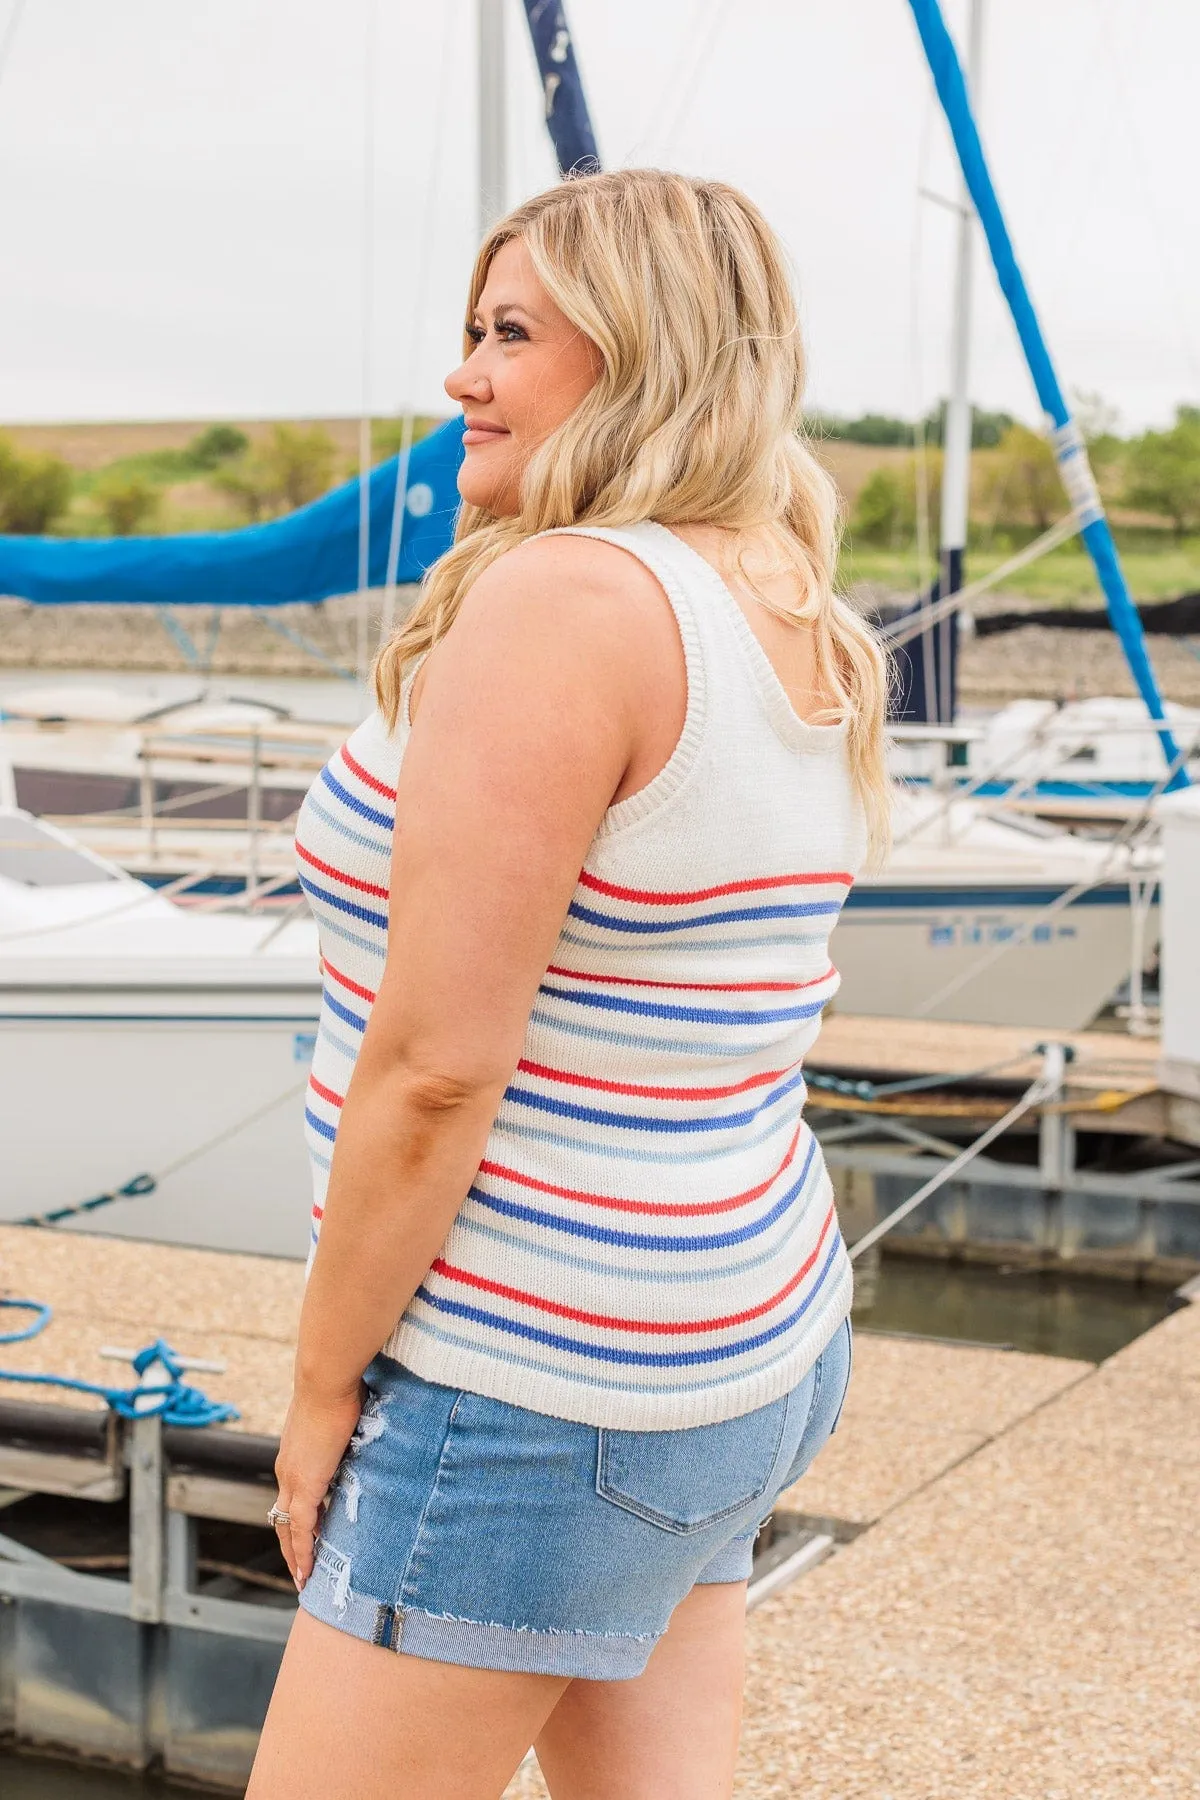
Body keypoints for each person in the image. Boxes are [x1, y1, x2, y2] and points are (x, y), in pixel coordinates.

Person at [247, 167, 889, 1800]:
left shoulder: (566, 602)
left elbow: (440, 1067)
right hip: (742, 1325)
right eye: (473, 328)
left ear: (647, 349)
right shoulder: (776, 590)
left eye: (512, 333)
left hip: (537, 1373)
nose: (462, 375)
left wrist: (322, 1391)